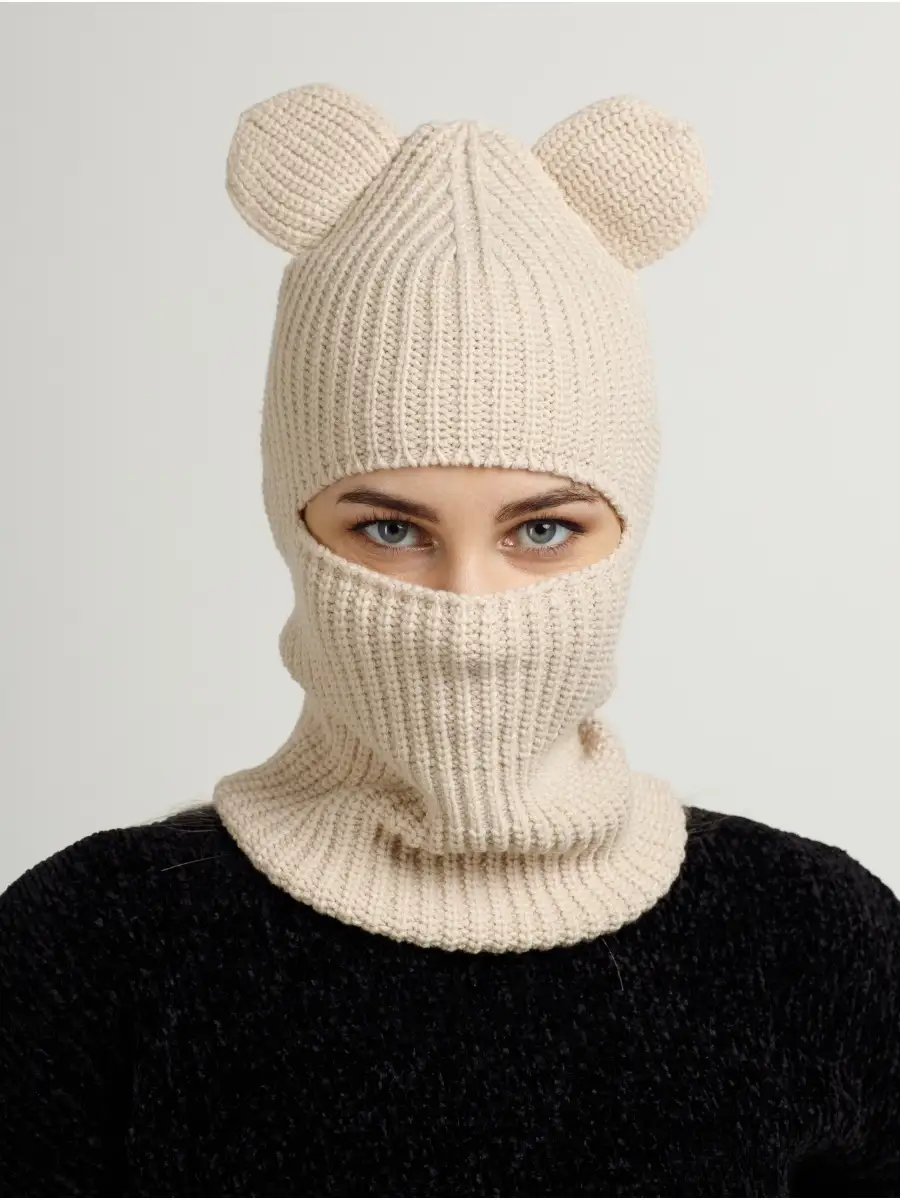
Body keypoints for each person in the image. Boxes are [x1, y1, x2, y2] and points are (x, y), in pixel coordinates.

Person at [1, 81, 898, 1198]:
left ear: (630, 529)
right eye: (390, 529)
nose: (469, 609)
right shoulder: (90, 943)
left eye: (543, 530)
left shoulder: (818, 938)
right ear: (291, 521)